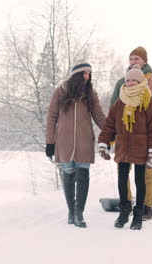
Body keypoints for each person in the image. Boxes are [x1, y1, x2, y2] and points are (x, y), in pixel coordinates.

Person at [109, 46, 152, 220]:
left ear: (144, 61)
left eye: (137, 59)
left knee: (146, 172)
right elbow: (113, 108)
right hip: (125, 134)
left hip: (146, 135)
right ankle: (128, 205)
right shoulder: (121, 83)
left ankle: (146, 208)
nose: (133, 62)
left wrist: (151, 108)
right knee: (123, 170)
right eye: (131, 59)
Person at [98, 66, 152, 230]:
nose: (130, 83)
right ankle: (124, 210)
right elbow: (109, 126)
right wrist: (104, 143)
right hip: (123, 148)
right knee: (121, 180)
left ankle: (138, 213)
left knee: (140, 181)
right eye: (127, 80)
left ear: (141, 82)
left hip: (141, 148)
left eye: (134, 80)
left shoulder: (148, 102)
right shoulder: (120, 102)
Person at [45, 60, 106, 228]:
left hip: (84, 141)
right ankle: (71, 211)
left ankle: (79, 213)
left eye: (89, 74)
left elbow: (98, 115)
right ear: (76, 75)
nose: (87, 77)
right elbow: (51, 117)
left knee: (83, 176)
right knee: (69, 176)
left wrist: (111, 131)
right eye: (84, 73)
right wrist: (50, 142)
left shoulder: (90, 93)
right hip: (64, 142)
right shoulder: (60, 92)